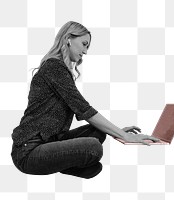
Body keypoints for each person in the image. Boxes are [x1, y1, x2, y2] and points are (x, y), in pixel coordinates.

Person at [10, 21, 159, 179]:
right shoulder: (54, 67)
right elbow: (84, 109)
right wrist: (123, 135)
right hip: (28, 150)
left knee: (98, 136)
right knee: (93, 148)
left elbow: (85, 112)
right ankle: (58, 160)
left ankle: (58, 159)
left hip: (49, 141)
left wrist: (117, 131)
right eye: (84, 44)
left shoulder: (60, 69)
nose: (85, 51)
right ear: (68, 38)